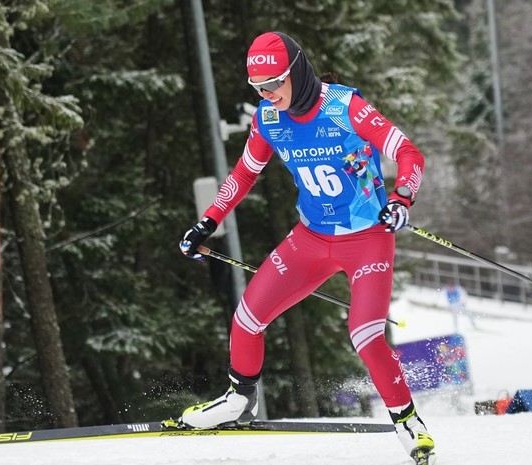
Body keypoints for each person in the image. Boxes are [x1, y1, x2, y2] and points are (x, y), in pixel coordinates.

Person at [178, 32, 433, 464]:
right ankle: (238, 399)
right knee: (246, 318)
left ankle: (408, 420)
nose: (266, 94)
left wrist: (401, 198)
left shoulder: (344, 107)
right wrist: (208, 221)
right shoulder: (268, 119)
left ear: (296, 72)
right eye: (258, 87)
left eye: (274, 83)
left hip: (367, 239)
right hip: (311, 239)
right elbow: (242, 175)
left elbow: (408, 152)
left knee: (365, 334)